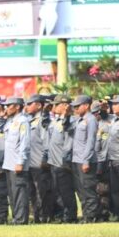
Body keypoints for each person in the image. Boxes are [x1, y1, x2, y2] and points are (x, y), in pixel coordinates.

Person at [45, 95, 77, 223]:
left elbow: (69, 141)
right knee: (57, 191)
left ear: (65, 105)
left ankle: (70, 216)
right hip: (54, 161)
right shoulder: (56, 121)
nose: (53, 107)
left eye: (56, 104)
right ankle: (63, 214)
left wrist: (66, 159)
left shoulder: (71, 120)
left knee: (66, 191)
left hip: (63, 162)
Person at [70, 95, 101, 223]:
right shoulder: (79, 119)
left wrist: (86, 160)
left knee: (88, 189)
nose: (75, 109)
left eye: (78, 106)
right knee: (81, 190)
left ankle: (91, 216)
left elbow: (90, 141)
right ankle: (86, 214)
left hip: (85, 160)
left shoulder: (91, 119)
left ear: (87, 105)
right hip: (76, 159)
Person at [1, 96, 31, 225]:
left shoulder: (23, 121)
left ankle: (21, 219)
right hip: (9, 163)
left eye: (9, 106)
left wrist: (21, 161)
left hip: (17, 163)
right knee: (13, 193)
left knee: (20, 192)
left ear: (17, 106)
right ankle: (16, 217)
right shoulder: (10, 121)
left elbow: (25, 143)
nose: (6, 108)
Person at [25, 94, 53, 223]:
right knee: (32, 192)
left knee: (42, 192)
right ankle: (36, 216)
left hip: (39, 162)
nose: (27, 106)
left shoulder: (44, 120)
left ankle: (44, 216)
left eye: (30, 104)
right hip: (29, 162)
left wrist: (45, 158)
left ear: (39, 105)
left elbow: (46, 141)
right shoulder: (28, 120)